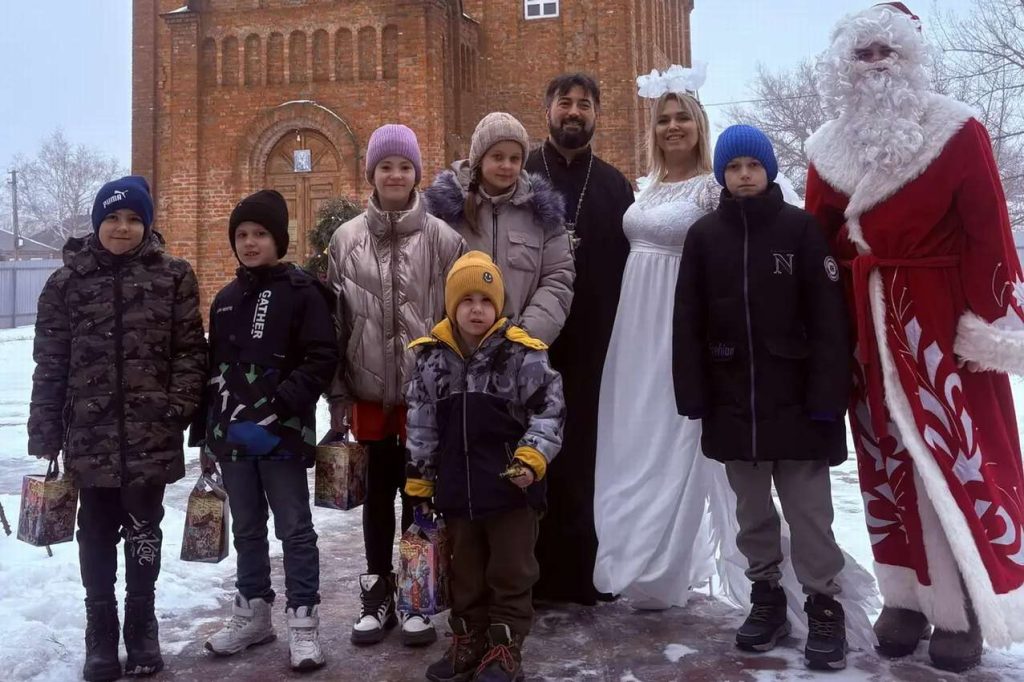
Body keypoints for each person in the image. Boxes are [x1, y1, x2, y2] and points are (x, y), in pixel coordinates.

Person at [805, 3, 1024, 672]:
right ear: (846, 66)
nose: (876, 65)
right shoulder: (825, 147)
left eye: (887, 53)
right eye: (863, 54)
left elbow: (990, 232)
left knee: (955, 458)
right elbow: (816, 242)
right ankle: (903, 598)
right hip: (863, 324)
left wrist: (988, 324)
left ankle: (963, 607)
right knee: (884, 461)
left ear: (911, 58)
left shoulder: (958, 131)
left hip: (939, 322)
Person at [675, 125, 852, 670]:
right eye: (734, 167)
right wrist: (694, 395)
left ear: (770, 170)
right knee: (752, 514)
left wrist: (829, 400)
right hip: (734, 404)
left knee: (810, 515)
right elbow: (688, 323)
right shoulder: (704, 237)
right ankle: (767, 599)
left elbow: (829, 322)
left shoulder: (799, 230)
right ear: (721, 176)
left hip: (798, 403)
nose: (744, 175)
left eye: (753, 165)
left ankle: (825, 606)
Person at [27, 176, 208, 681]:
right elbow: (51, 362)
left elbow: (191, 352)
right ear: (97, 223)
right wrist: (44, 431)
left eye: (133, 218)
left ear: (146, 223)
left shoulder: (172, 276)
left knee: (145, 528)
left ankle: (141, 625)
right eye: (112, 218)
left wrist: (177, 409)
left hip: (152, 432)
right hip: (88, 433)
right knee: (97, 532)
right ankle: (100, 631)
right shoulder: (66, 282)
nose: (122, 228)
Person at [326, 124, 464, 647]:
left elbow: (459, 318)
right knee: (376, 492)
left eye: (404, 167)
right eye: (385, 166)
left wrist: (446, 382)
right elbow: (335, 322)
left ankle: (415, 594)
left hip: (424, 395)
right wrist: (338, 390)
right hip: (367, 390)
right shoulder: (346, 239)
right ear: (372, 173)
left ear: (416, 174)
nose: (395, 175)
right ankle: (377, 591)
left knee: (419, 492)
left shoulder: (443, 239)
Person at [592, 81, 725, 610]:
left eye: (683, 117)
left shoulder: (712, 190)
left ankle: (663, 564)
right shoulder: (642, 188)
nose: (673, 125)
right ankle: (624, 550)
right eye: (664, 118)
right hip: (633, 325)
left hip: (680, 320)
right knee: (631, 433)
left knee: (674, 435)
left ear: (699, 127)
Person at [404, 251, 565, 682]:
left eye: (485, 300)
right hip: (457, 490)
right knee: (465, 572)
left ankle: (505, 646)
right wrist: (420, 478)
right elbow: (421, 423)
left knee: (511, 570)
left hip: (512, 490)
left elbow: (550, 411)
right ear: (450, 304)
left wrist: (532, 455)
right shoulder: (430, 359)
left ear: (499, 305)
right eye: (466, 299)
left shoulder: (520, 354)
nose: (476, 309)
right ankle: (469, 640)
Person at [198, 189, 337, 671]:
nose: (251, 242)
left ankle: (303, 622)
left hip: (281, 436)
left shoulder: (302, 292)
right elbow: (213, 370)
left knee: (295, 529)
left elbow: (322, 356)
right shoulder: (225, 299)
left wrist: (280, 406)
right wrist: (207, 436)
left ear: (279, 239)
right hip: (233, 439)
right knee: (248, 529)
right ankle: (254, 613)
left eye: (260, 234)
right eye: (242, 234)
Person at [524, 73, 634, 605]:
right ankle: (531, 572)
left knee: (588, 455)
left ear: (597, 115)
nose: (574, 111)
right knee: (531, 452)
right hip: (530, 346)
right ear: (546, 110)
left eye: (584, 104)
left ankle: (586, 571)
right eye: (564, 102)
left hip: (597, 345)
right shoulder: (520, 175)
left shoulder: (616, 187)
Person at [424, 111, 575, 346]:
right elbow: (426, 278)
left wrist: (524, 337)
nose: (507, 166)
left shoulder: (543, 215)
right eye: (497, 156)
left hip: (518, 354)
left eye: (515, 159)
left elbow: (557, 280)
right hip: (456, 350)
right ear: (480, 158)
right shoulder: (443, 211)